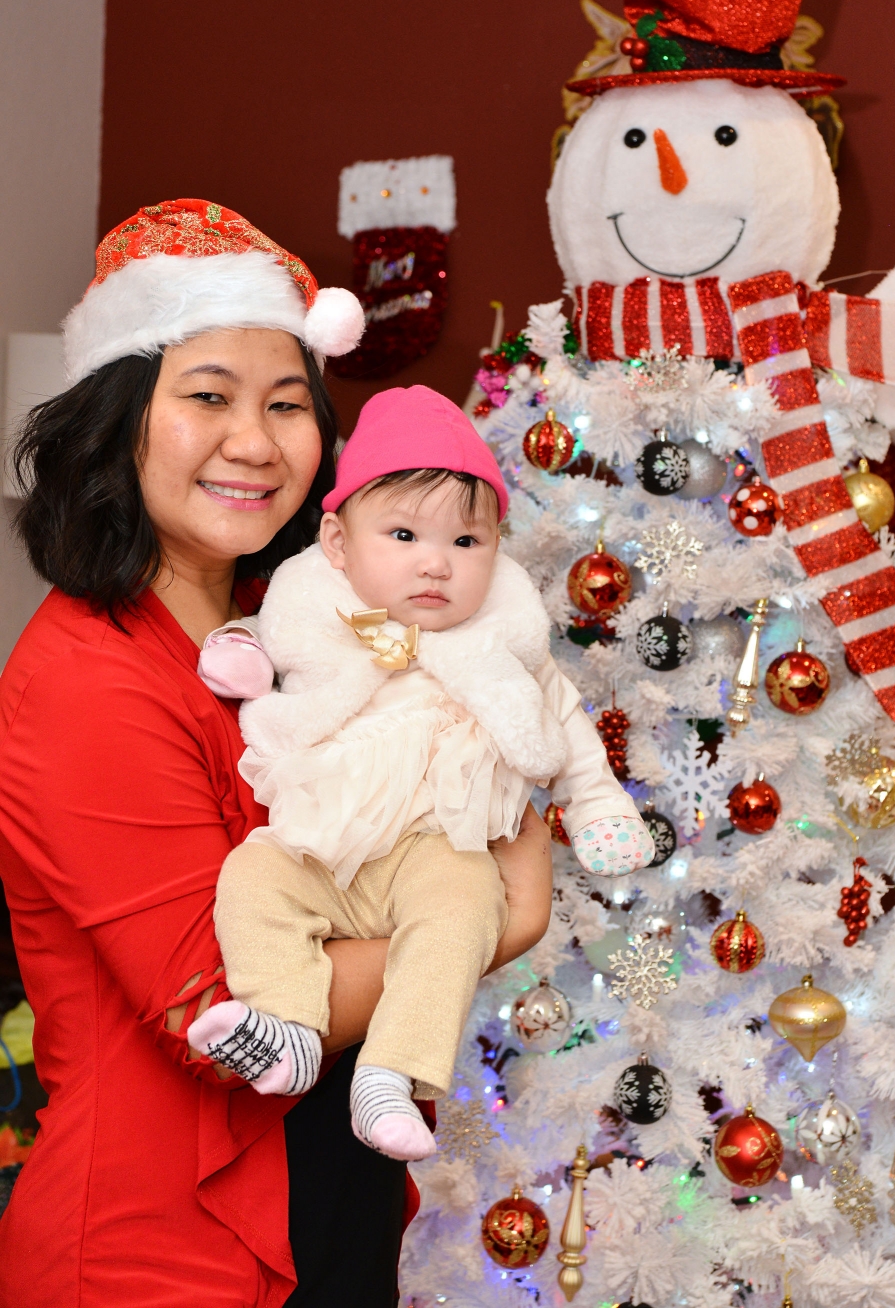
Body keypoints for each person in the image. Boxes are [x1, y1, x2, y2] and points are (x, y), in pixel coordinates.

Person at [0, 201, 555, 1308]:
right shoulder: (82, 677)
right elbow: (220, 1020)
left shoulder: (307, 635)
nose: (254, 442)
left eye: (288, 404)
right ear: (119, 421)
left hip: (327, 1213)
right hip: (152, 1250)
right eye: (208, 397)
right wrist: (499, 915)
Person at [187, 386, 655, 1161]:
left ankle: (391, 1074)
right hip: (325, 844)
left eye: (467, 543)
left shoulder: (501, 645)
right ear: (337, 544)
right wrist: (244, 650)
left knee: (462, 907)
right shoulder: (312, 609)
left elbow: (563, 726)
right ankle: (288, 1028)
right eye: (402, 534)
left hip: (438, 844)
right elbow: (271, 644)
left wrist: (598, 807)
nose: (435, 563)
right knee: (252, 878)